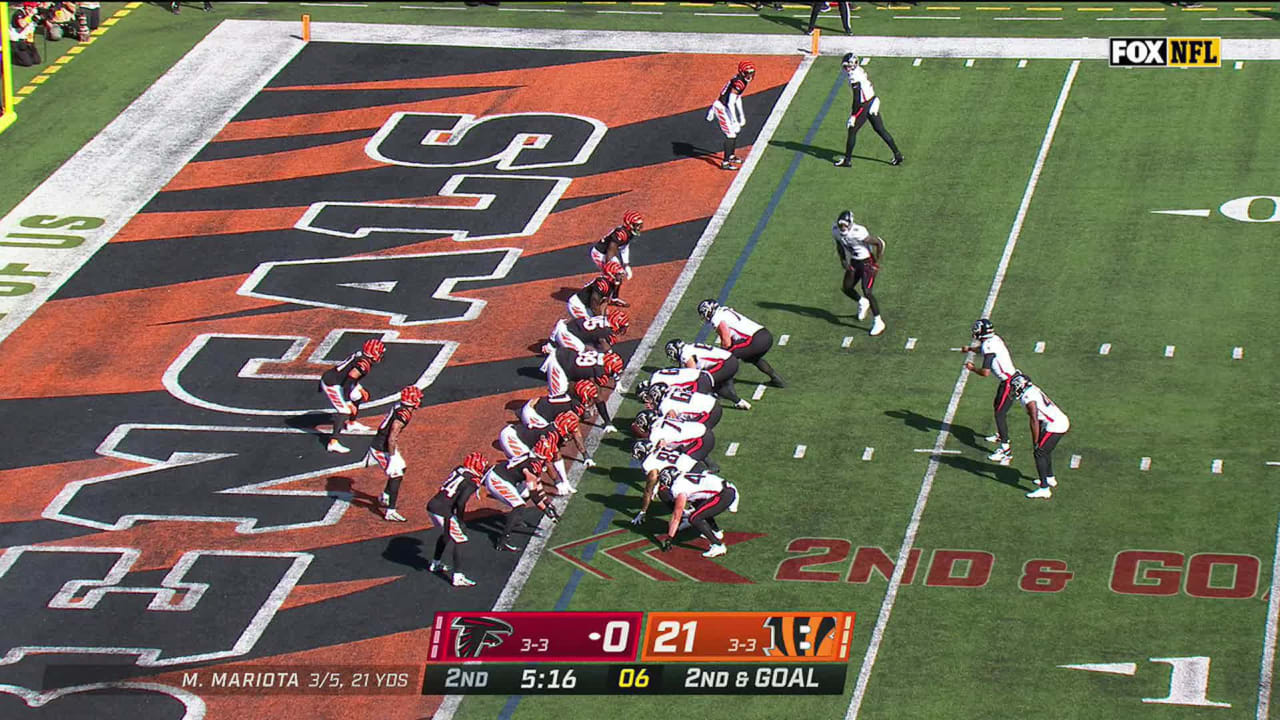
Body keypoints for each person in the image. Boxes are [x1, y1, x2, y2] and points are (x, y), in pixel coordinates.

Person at [962, 318, 1022, 464]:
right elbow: (983, 350)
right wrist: (970, 349)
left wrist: (972, 368)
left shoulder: (988, 345)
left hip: (1009, 382)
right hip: (1010, 380)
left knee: (999, 413)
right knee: (998, 408)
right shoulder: (994, 340)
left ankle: (1005, 450)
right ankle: (1001, 435)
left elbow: (985, 372)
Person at [425, 452, 489, 587]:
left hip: (434, 504)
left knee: (446, 536)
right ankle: (458, 576)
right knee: (460, 540)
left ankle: (435, 563)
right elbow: (461, 502)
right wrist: (460, 520)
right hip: (443, 510)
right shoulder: (472, 482)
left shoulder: (458, 469)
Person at [834, 54, 904, 169]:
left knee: (852, 130)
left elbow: (856, 99)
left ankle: (847, 160)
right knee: (880, 129)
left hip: (864, 105)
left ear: (853, 65)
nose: (846, 68)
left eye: (848, 66)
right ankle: (898, 155)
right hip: (872, 100)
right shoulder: (859, 70)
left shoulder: (854, 76)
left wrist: (853, 116)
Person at [697, 300, 786, 388]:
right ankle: (776, 379)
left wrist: (722, 353)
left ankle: (722, 387)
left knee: (725, 359)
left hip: (754, 340)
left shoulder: (717, 318)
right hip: (765, 335)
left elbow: (726, 340)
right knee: (752, 358)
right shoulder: (725, 311)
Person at [483, 451, 559, 552]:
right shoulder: (532, 468)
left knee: (525, 493)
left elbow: (537, 487)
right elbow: (534, 495)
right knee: (519, 506)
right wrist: (546, 510)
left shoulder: (530, 458)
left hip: (500, 474)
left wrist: (547, 503)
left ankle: (515, 520)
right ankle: (503, 541)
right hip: (497, 480)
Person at [657, 467, 740, 559]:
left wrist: (669, 538)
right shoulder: (683, 476)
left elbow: (677, 515)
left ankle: (718, 545)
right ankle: (715, 531)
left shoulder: (678, 487)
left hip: (724, 495)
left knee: (694, 518)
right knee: (697, 501)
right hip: (727, 488)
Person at [318, 339, 384, 454]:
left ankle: (351, 423)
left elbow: (349, 375)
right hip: (332, 384)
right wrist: (348, 402)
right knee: (344, 410)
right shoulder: (363, 365)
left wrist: (359, 387)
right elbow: (348, 383)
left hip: (339, 380)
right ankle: (333, 443)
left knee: (358, 396)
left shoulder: (361, 356)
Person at [367, 386, 422, 522]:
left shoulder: (400, 406)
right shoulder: (403, 414)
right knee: (396, 475)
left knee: (401, 467)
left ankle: (385, 495)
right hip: (381, 448)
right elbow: (392, 437)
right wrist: (391, 458)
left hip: (385, 444)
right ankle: (390, 511)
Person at [1011, 374, 1070, 500]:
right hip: (1056, 421)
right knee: (1045, 451)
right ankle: (1049, 478)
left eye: (1015, 387)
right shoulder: (1033, 390)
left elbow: (1034, 419)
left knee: (1039, 453)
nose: (1014, 389)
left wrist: (1035, 440)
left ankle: (1044, 488)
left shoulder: (1028, 397)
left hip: (1055, 425)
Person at [832, 210, 886, 336]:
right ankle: (862, 302)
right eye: (841, 225)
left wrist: (876, 262)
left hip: (867, 262)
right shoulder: (835, 230)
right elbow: (839, 244)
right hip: (855, 261)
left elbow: (879, 243)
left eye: (845, 225)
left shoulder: (858, 232)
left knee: (867, 291)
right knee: (846, 287)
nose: (842, 228)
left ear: (850, 224)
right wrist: (843, 260)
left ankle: (878, 321)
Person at [665, 339, 748, 409]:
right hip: (729, 361)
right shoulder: (689, 348)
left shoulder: (685, 354)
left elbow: (692, 374)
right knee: (715, 387)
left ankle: (699, 404)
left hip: (726, 364)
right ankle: (739, 402)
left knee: (701, 381)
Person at [707, 60, 754, 171]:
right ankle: (725, 162)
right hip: (721, 108)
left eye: (752, 73)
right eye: (748, 73)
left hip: (726, 107)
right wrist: (734, 120)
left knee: (734, 132)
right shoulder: (739, 82)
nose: (750, 75)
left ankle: (731, 156)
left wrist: (741, 116)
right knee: (730, 134)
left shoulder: (742, 80)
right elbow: (730, 102)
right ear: (742, 73)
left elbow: (738, 98)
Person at [590, 213, 643, 305]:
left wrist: (626, 265)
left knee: (619, 273)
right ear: (629, 224)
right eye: (636, 225)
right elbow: (611, 250)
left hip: (608, 253)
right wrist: (610, 267)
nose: (638, 227)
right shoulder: (621, 233)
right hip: (600, 253)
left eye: (639, 225)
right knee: (611, 276)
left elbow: (624, 248)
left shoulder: (629, 233)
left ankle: (614, 298)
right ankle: (598, 298)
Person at [544, 308, 628, 355]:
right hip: (566, 335)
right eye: (621, 326)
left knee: (590, 342)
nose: (621, 329)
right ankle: (554, 352)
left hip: (563, 326)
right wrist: (608, 352)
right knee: (585, 353)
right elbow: (605, 348)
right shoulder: (606, 331)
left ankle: (553, 343)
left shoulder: (601, 318)